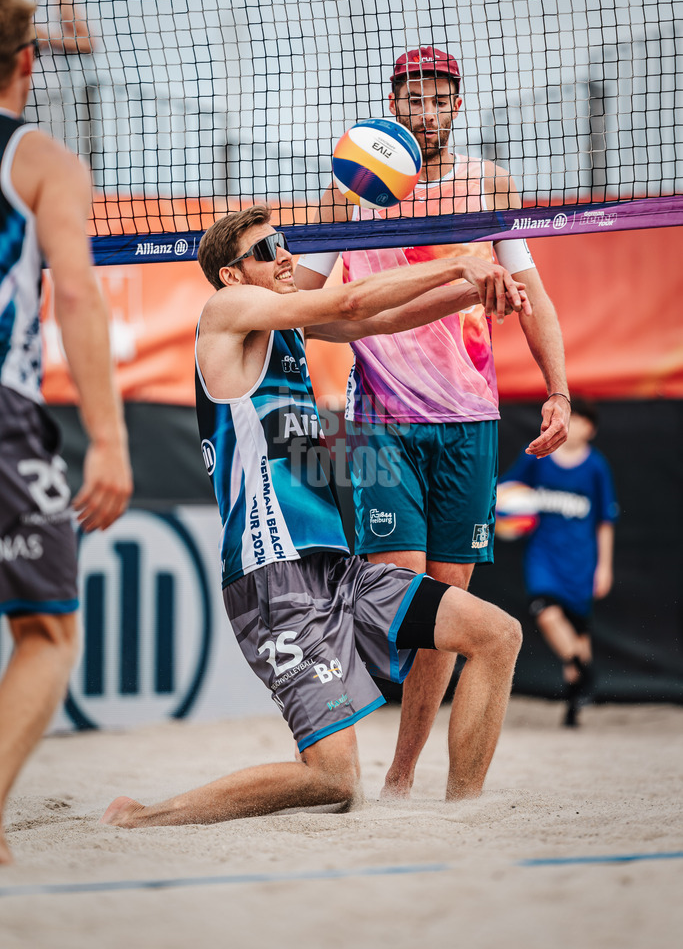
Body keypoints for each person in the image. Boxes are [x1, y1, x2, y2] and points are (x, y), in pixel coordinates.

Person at [100, 204, 527, 829]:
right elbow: (352, 304)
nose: (285, 257)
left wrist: (473, 288)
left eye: (283, 243)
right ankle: (140, 817)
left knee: (496, 635)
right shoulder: (222, 315)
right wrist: (461, 261)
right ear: (230, 275)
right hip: (273, 577)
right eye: (267, 249)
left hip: (336, 569)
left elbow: (386, 319)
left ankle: (463, 818)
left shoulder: (290, 328)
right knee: (334, 782)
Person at [295, 45, 570, 797]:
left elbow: (532, 296)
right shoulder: (350, 190)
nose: (424, 110)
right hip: (380, 416)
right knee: (401, 594)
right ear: (393, 103)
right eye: (410, 98)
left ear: (456, 104)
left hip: (470, 419)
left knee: (450, 603)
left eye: (436, 98)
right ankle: (324, 737)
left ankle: (401, 778)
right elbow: (310, 315)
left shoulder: (488, 185)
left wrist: (558, 390)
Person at [0, 0, 132, 865]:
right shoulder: (41, 157)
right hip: (5, 408)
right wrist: (111, 438)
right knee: (47, 633)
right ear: (27, 61)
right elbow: (76, 294)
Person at [500, 398, 618, 727]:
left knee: (579, 633)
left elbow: (605, 522)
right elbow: (507, 488)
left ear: (591, 429)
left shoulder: (596, 466)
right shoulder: (540, 456)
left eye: (581, 420)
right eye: (571, 418)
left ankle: (574, 701)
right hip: (544, 557)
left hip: (580, 561)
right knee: (546, 611)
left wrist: (604, 567)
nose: (574, 425)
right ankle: (585, 670)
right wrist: (506, 508)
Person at [8, 0, 97, 156]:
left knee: (50, 155)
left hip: (50, 94)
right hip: (12, 94)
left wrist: (47, 37)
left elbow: (89, 42)